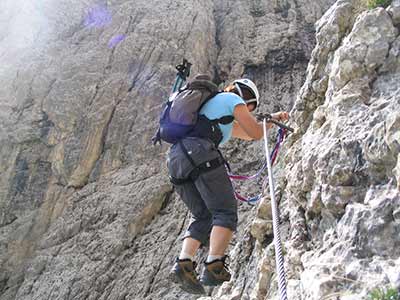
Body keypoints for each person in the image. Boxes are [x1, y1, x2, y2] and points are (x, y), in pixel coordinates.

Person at [167, 78, 289, 294]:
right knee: (224, 211)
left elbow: (247, 134)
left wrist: (271, 120)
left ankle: (183, 264)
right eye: (251, 107)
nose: (250, 111)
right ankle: (214, 265)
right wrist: (272, 121)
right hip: (199, 152)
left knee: (203, 215)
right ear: (247, 98)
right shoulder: (232, 99)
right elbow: (255, 132)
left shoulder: (210, 110)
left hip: (176, 159)